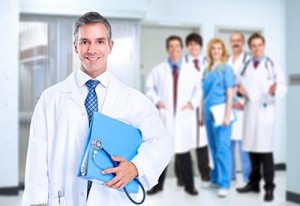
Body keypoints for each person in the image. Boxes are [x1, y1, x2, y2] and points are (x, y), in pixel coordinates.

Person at [22, 12, 172, 206]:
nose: (92, 49)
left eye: (100, 41)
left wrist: (135, 167)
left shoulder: (135, 101)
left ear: (110, 46)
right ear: (75, 46)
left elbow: (161, 143)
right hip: (64, 198)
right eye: (85, 42)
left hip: (113, 198)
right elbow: (37, 158)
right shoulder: (50, 99)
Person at [146, 35, 200, 196]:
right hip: (165, 116)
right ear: (167, 49)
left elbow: (199, 90)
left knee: (184, 155)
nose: (174, 49)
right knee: (163, 153)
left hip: (184, 117)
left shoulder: (191, 71)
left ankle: (190, 186)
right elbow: (149, 88)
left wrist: (192, 103)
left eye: (177, 46)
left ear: (181, 48)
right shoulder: (158, 70)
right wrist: (158, 100)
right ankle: (157, 185)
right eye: (171, 46)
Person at [236, 33, 287, 202]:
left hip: (265, 112)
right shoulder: (246, 66)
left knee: (265, 152)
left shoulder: (271, 65)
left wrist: (275, 91)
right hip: (250, 112)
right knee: (252, 151)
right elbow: (240, 86)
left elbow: (282, 87)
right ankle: (254, 183)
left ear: (263, 46)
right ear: (250, 48)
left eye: (260, 45)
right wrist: (239, 91)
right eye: (254, 46)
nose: (257, 48)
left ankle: (269, 188)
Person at [201, 38, 235, 198]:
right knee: (213, 149)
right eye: (213, 48)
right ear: (210, 51)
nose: (216, 51)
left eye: (219, 48)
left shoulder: (226, 69)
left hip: (222, 114)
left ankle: (224, 183)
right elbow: (203, 95)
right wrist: (201, 113)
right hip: (208, 114)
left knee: (222, 149)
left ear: (223, 51)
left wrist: (227, 116)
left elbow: (230, 93)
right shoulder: (206, 70)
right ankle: (215, 179)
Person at [185, 32, 211, 188]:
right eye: (191, 44)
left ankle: (205, 175)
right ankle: (183, 177)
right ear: (187, 47)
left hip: (204, 107)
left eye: (196, 44)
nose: (194, 47)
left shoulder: (208, 63)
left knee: (202, 144)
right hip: (186, 107)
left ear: (200, 46)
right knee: (183, 145)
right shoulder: (182, 63)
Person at [227, 32, 251, 184]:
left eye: (238, 40)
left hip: (243, 109)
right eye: (233, 40)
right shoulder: (227, 61)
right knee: (227, 146)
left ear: (243, 42)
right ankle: (230, 177)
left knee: (244, 148)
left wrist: (242, 102)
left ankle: (248, 178)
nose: (235, 43)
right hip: (228, 110)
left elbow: (253, 85)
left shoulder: (248, 61)